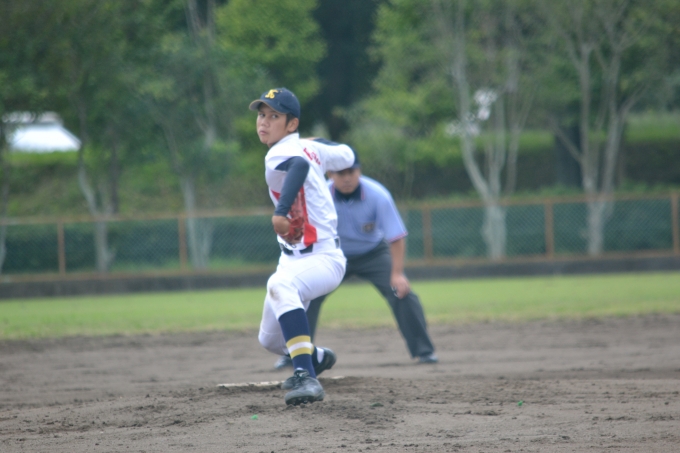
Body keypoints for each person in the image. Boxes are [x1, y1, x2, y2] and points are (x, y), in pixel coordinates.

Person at [274, 151, 437, 370]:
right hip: (331, 253)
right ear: (330, 174)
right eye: (340, 173)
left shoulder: (378, 195)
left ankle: (424, 351)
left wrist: (397, 274)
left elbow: (396, 237)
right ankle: (293, 353)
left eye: (351, 172)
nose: (347, 177)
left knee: (401, 292)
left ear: (359, 171)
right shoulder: (318, 195)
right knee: (305, 295)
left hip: (372, 253)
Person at [249, 88, 356, 406]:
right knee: (270, 340)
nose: (264, 122)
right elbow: (347, 156)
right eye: (261, 114)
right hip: (293, 259)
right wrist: (316, 143)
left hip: (322, 257)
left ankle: (306, 377)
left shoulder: (280, 153)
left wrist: (281, 212)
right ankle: (317, 357)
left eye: (274, 116)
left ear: (292, 124)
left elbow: (297, 166)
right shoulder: (309, 148)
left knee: (280, 285)